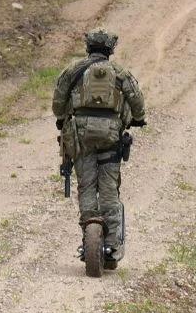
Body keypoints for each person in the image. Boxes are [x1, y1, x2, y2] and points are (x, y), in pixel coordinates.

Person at [52, 28, 146, 268]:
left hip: (80, 136)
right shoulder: (119, 72)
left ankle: (89, 233)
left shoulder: (73, 70)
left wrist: (63, 119)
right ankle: (112, 245)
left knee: (86, 184)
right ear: (110, 50)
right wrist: (139, 118)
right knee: (109, 188)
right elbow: (136, 100)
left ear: (88, 47)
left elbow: (58, 103)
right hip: (111, 135)